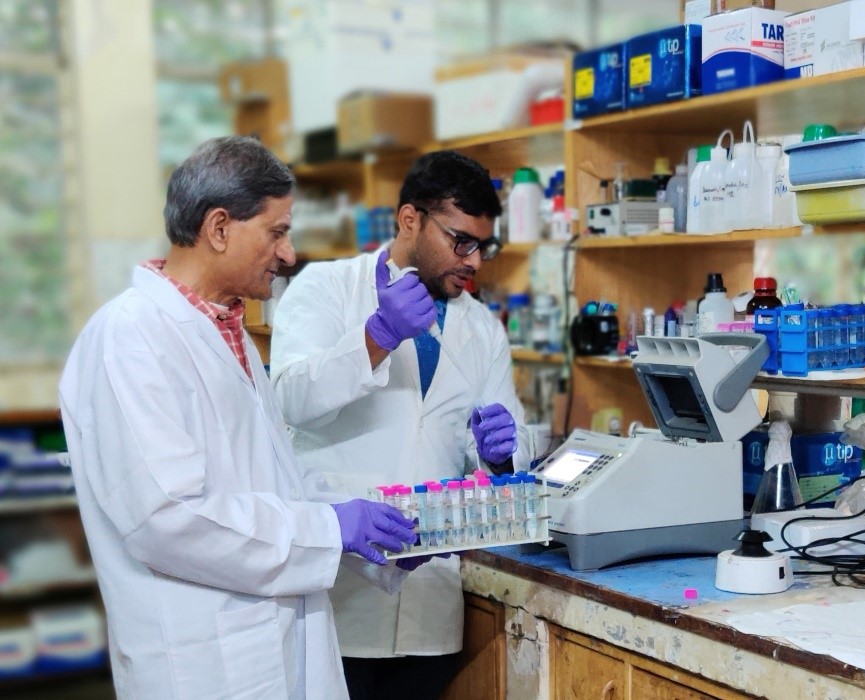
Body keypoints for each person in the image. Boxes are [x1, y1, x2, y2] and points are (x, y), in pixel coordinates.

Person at [58, 135, 425, 700]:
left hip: (273, 645)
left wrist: (378, 528)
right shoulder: (131, 338)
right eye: (277, 231)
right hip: (206, 664)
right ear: (220, 228)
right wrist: (331, 529)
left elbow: (272, 485)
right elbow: (168, 518)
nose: (289, 254)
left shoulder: (228, 334)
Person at [271, 150, 533, 699]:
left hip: (430, 612)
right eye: (460, 240)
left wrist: (501, 453)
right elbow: (289, 400)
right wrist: (377, 336)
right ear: (410, 220)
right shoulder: (325, 289)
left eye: (482, 246)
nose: (474, 261)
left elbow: (499, 456)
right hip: (338, 599)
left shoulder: (482, 328)